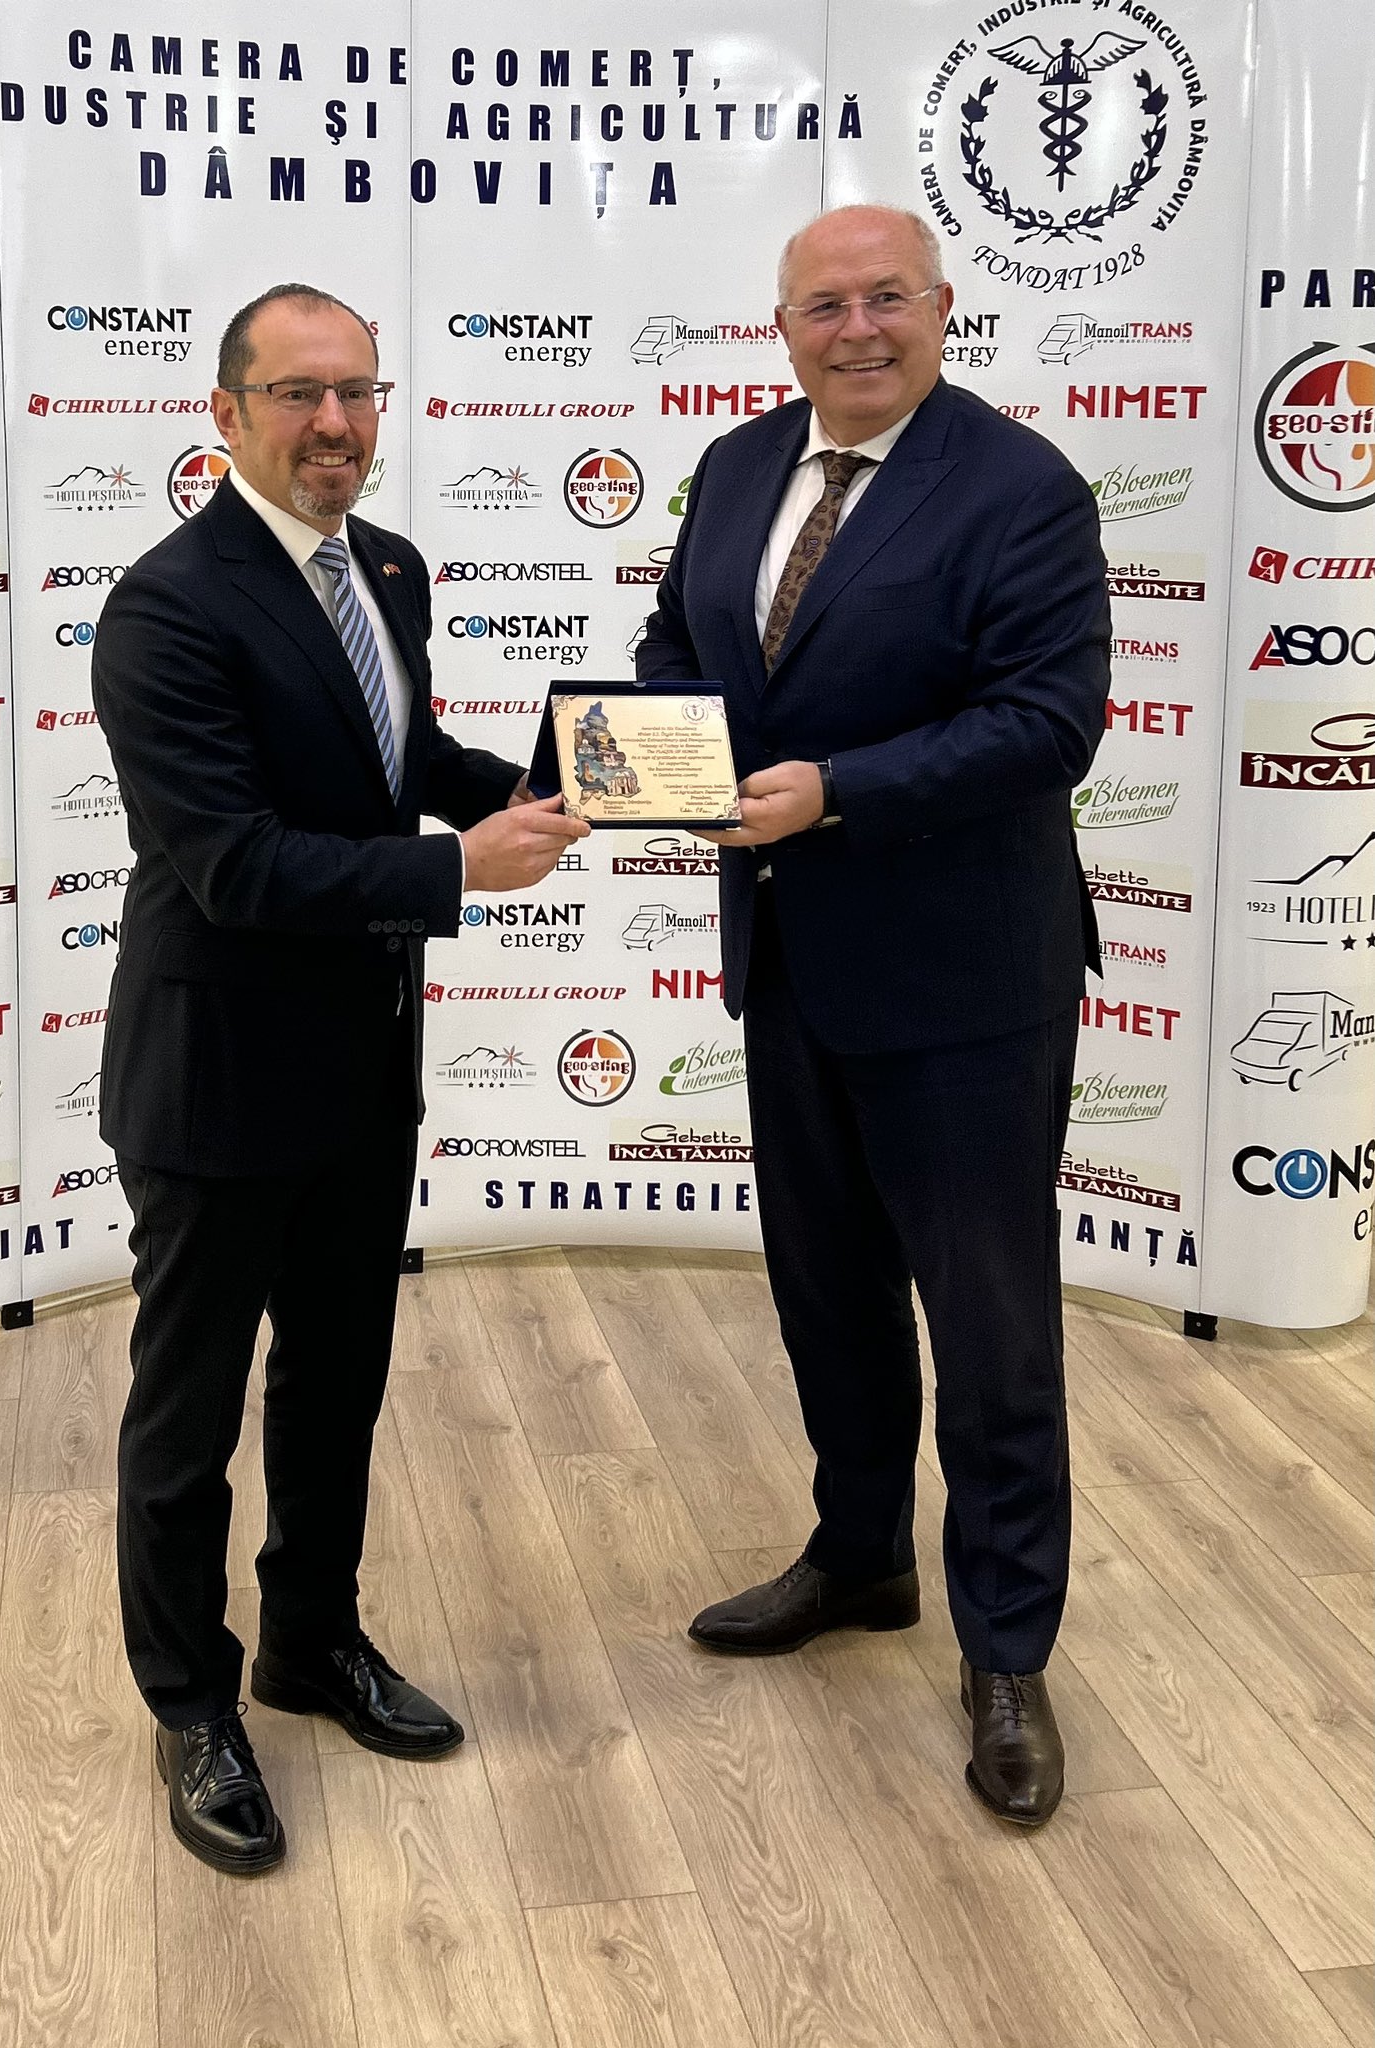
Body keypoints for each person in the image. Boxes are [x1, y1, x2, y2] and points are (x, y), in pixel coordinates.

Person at [91, 283, 588, 1875]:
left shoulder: (386, 566)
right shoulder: (166, 609)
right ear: (224, 412)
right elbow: (234, 865)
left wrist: (555, 784)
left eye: (357, 392)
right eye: (297, 393)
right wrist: (457, 873)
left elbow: (399, 762)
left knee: (336, 1381)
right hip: (216, 1080)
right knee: (187, 1420)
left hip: (366, 1069)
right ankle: (191, 1704)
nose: (333, 424)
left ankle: (309, 1643)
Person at [636, 205, 1109, 1826]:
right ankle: (858, 1559)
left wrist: (831, 789)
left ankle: (1006, 1652)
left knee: (989, 1336)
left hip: (965, 984)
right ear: (781, 327)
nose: (856, 329)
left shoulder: (1020, 486)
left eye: (885, 297)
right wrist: (647, 758)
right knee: (826, 1295)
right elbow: (677, 647)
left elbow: (1045, 724)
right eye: (822, 305)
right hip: (787, 964)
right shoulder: (736, 466)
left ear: (940, 306)